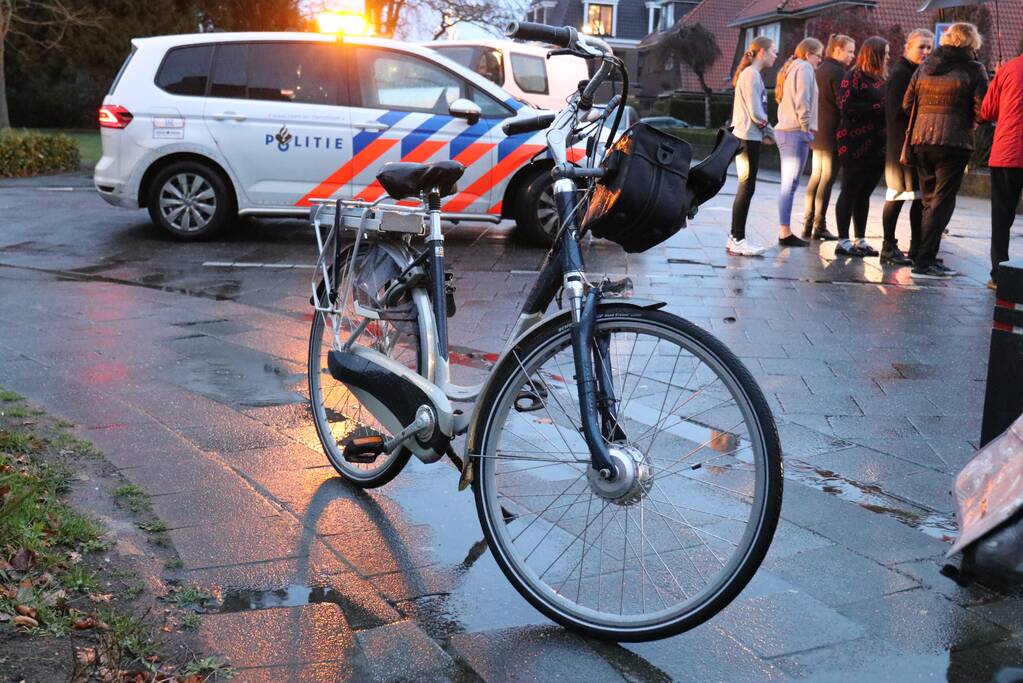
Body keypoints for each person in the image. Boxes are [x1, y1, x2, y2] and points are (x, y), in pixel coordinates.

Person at [903, 22, 988, 279]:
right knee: (942, 202)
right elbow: (983, 110)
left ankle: (920, 254)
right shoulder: (974, 69)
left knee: (928, 199)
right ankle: (925, 261)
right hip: (954, 143)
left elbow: (907, 103)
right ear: (972, 43)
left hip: (921, 140)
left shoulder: (925, 66)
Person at [833, 37, 890, 258]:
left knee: (865, 193)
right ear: (873, 54)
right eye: (884, 53)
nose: (887, 57)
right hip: (854, 142)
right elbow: (847, 107)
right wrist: (879, 106)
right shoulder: (853, 77)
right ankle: (843, 240)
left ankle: (860, 238)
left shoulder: (884, 78)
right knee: (850, 189)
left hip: (878, 144)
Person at [881, 29, 932, 266]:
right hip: (901, 146)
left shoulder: (917, 72)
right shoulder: (902, 73)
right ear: (908, 47)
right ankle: (888, 246)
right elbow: (894, 113)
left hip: (914, 145)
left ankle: (915, 246)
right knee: (897, 195)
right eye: (921, 46)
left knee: (917, 198)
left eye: (929, 47)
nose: (926, 51)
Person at [728, 36, 778, 257]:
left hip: (749, 137)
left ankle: (735, 237)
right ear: (762, 52)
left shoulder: (751, 75)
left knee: (746, 187)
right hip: (747, 138)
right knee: (746, 187)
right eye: (773, 51)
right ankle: (737, 238)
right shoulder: (751, 76)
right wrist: (771, 132)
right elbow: (756, 112)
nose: (776, 55)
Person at [980, 38, 1023, 289]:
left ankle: (999, 274)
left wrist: (999, 77)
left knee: (1002, 217)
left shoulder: (1009, 69)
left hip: (1007, 152)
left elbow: (987, 111)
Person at [803, 34, 855, 241]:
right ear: (837, 50)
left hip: (818, 134)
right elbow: (845, 105)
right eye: (850, 51)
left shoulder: (820, 70)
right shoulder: (839, 73)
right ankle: (819, 225)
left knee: (816, 178)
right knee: (827, 180)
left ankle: (809, 222)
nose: (853, 55)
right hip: (833, 136)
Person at [775, 37, 824, 247]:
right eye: (818, 55)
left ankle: (785, 231)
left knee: (790, 184)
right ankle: (784, 232)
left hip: (789, 131)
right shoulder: (804, 67)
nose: (820, 60)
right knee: (789, 184)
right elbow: (803, 100)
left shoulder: (792, 67)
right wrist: (805, 129)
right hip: (795, 132)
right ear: (807, 53)